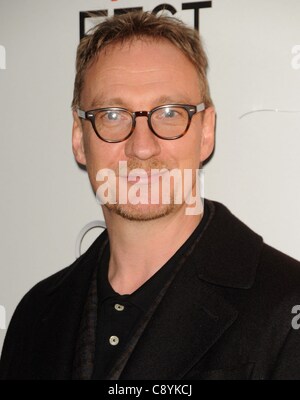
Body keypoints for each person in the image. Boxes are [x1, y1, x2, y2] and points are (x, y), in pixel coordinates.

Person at [1, 11, 300, 381]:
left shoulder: (287, 306)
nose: (141, 147)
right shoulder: (35, 314)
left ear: (206, 132)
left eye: (170, 113)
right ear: (80, 139)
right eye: (112, 114)